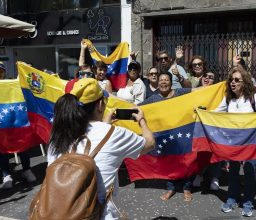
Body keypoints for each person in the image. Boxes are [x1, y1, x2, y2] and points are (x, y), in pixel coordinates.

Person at [48, 78, 155, 219]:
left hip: (58, 213)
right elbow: (149, 144)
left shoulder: (57, 136)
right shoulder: (113, 133)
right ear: (100, 105)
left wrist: (104, 124)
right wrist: (141, 120)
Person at [217, 66, 256, 217]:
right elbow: (216, 113)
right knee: (233, 172)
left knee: (250, 174)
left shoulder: (254, 97)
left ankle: (248, 202)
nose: (233, 83)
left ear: (245, 82)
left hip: (251, 143)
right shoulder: (228, 98)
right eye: (231, 80)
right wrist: (202, 114)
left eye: (237, 80)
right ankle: (231, 199)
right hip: (234, 143)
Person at [140, 71, 194, 202]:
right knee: (168, 161)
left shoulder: (180, 92)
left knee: (187, 159)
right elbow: (137, 108)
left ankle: (187, 187)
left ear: (171, 82)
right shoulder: (153, 98)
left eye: (166, 80)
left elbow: (198, 92)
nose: (163, 82)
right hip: (166, 136)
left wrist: (216, 87)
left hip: (183, 133)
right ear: (158, 83)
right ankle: (171, 187)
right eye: (161, 80)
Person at [0, 61, 36, 189]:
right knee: (1, 148)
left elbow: (22, 83)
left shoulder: (11, 83)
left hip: (15, 119)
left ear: (4, 72)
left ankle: (26, 170)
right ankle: (6, 175)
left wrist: (26, 69)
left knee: (22, 145)